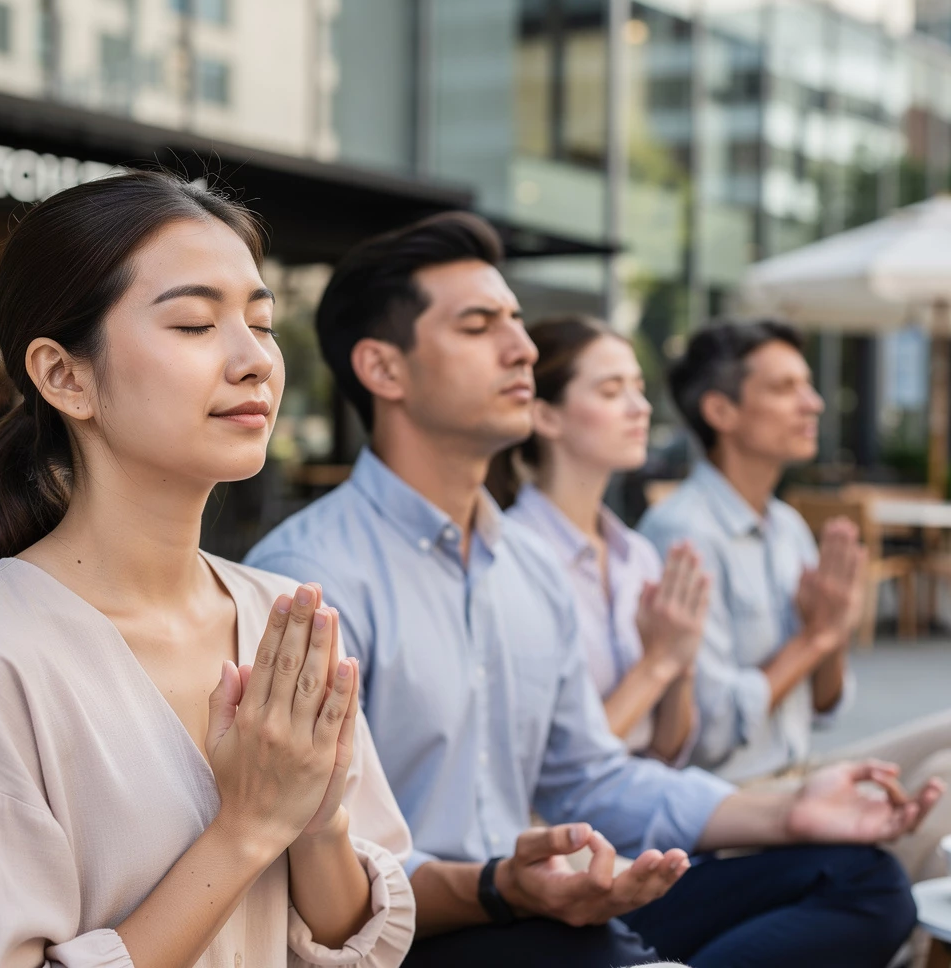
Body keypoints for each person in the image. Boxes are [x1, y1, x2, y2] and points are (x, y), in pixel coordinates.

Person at [246, 211, 943, 968]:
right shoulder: (309, 575)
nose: (522, 348)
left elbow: (590, 777)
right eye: (479, 326)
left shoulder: (528, 566)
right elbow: (316, 858)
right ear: (384, 369)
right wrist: (497, 888)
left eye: (516, 320)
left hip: (537, 902)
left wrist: (789, 813)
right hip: (420, 932)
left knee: (864, 880)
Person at [0, 171, 414, 967]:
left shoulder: (281, 614)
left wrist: (318, 819)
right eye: (193, 324)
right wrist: (249, 828)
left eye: (262, 323)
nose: (254, 359)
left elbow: (358, 944)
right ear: (65, 377)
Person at [638, 318, 951, 881]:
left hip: (802, 769)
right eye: (785, 388)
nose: (814, 403)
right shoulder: (683, 533)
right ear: (721, 412)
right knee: (943, 793)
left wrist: (831, 635)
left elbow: (826, 705)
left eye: (808, 385)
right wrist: (815, 639)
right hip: (734, 804)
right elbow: (704, 735)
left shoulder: (786, 527)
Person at [495, 316, 707, 766]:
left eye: (639, 388)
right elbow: (551, 768)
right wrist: (658, 664)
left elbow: (667, 750)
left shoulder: (639, 556)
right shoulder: (508, 561)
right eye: (611, 392)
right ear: (545, 415)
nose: (640, 407)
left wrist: (682, 660)